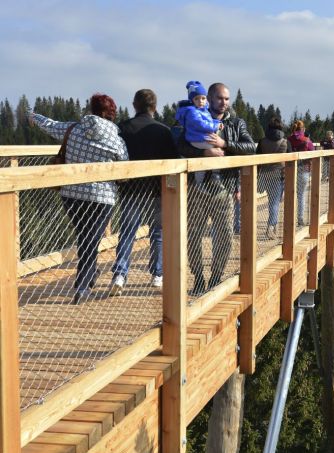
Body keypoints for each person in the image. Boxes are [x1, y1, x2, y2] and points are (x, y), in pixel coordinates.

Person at [30, 94, 128, 304]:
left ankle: (88, 277)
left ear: (91, 109)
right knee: (91, 239)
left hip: (72, 195)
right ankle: (83, 285)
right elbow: (125, 168)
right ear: (111, 113)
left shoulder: (72, 129)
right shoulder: (116, 140)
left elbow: (50, 125)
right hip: (103, 197)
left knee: (85, 236)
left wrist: (34, 116)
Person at [176, 82, 256, 295]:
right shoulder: (196, 117)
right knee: (194, 235)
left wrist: (224, 144)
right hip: (197, 188)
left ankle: (215, 278)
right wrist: (203, 154)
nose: (224, 103)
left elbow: (251, 148)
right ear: (210, 99)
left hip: (224, 189)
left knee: (225, 236)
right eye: (220, 98)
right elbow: (181, 146)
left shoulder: (236, 124)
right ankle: (199, 278)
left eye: (227, 99)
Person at [109, 89, 179, 296]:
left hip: (131, 189)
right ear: (155, 108)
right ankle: (157, 275)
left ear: (134, 105)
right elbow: (173, 161)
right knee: (158, 233)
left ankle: (120, 275)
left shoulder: (122, 128)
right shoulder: (163, 131)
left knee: (128, 233)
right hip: (157, 190)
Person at [257, 117, 290, 239]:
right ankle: (270, 228)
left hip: (264, 174)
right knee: (274, 203)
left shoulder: (262, 141)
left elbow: (257, 158)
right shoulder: (285, 142)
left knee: (272, 202)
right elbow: (290, 161)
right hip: (278, 175)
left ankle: (273, 226)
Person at [175, 81, 223, 149]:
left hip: (202, 137)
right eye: (196, 99)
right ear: (192, 101)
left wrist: (217, 122)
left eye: (203, 98)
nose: (200, 101)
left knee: (220, 145)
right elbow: (201, 124)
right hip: (197, 139)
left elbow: (208, 121)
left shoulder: (203, 110)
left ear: (206, 99)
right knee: (219, 147)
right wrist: (216, 126)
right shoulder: (192, 112)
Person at [288, 120, 315, 226]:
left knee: (290, 195)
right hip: (304, 170)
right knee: (301, 195)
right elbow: (313, 154)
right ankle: (300, 219)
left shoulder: (288, 140)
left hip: (290, 170)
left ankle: (289, 219)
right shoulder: (307, 140)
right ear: (303, 129)